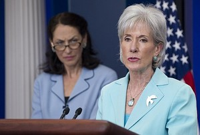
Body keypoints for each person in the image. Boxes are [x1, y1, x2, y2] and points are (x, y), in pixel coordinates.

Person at [96, 4, 197, 135]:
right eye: (127, 39)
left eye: (142, 40)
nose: (133, 48)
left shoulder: (179, 94)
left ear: (157, 48)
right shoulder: (108, 92)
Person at [31, 12, 118, 119]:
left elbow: (98, 126)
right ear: (52, 43)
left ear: (84, 39)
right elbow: (36, 127)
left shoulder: (106, 77)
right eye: (60, 43)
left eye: (73, 41)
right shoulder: (41, 82)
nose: (67, 50)